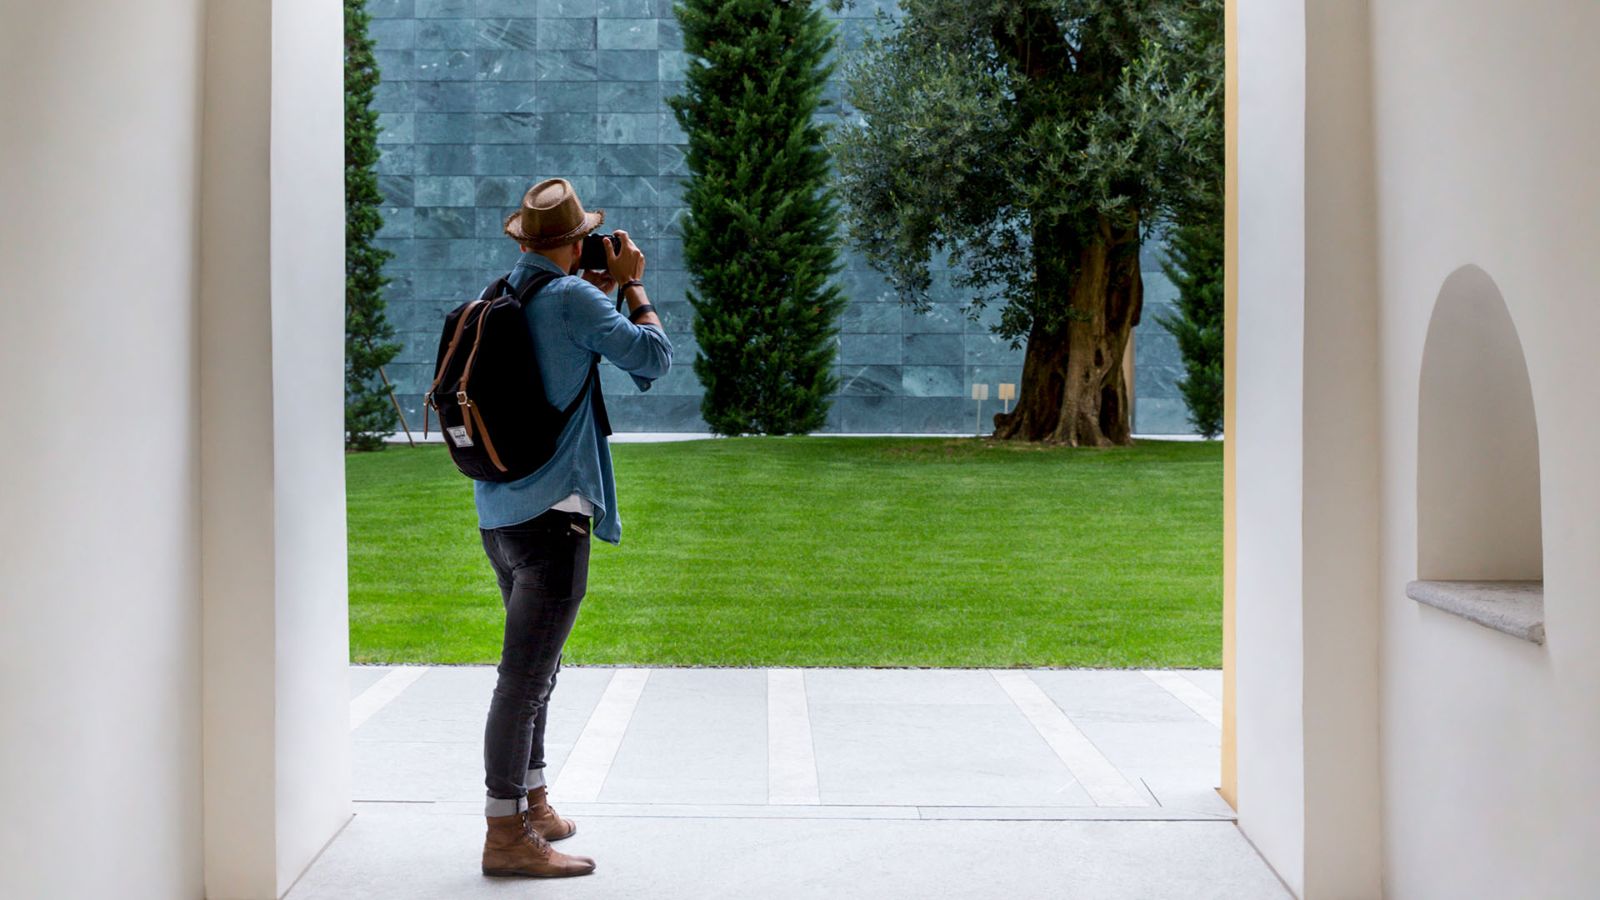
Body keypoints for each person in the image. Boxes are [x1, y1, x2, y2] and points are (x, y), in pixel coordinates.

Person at [474, 178, 670, 879]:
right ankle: (505, 834)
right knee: (523, 680)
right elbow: (653, 359)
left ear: (525, 241)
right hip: (554, 516)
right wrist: (635, 287)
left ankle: (534, 803)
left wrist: (595, 287)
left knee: (537, 672)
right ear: (575, 239)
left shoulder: (506, 293)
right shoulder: (575, 300)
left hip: (498, 515)